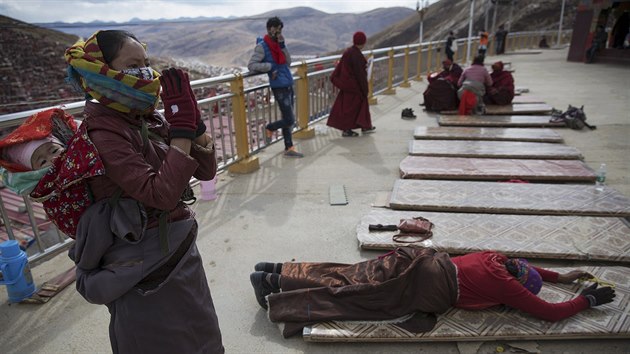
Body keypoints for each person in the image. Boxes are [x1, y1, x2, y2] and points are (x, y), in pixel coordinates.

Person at [63, 30, 224, 353]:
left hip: (178, 253)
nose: (145, 73)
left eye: (146, 63)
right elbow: (161, 194)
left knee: (202, 338)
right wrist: (180, 133)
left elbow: (205, 171)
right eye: (132, 65)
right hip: (144, 268)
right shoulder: (102, 131)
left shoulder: (145, 116)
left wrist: (194, 126)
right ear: (102, 71)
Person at [249, 247, 615, 338]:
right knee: (355, 298)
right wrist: (587, 300)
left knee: (345, 273)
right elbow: (549, 314)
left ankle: (276, 271)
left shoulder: (496, 259)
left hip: (417, 259)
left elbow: (530, 270)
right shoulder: (508, 287)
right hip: (426, 286)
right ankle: (274, 294)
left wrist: (562, 276)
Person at [247, 16, 304, 157]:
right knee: (290, 119)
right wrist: (270, 66)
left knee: (288, 119)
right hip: (279, 86)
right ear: (268, 29)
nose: (277, 33)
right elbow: (252, 65)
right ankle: (269, 128)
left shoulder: (280, 44)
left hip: (288, 83)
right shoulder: (262, 47)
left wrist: (283, 46)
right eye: (275, 30)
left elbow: (288, 62)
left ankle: (289, 148)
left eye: (279, 30)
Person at [326, 31, 375, 137]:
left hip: (347, 85)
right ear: (363, 42)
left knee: (352, 107)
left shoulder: (349, 52)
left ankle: (365, 125)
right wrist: (365, 88)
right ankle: (347, 129)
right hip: (354, 86)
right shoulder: (356, 55)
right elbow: (360, 74)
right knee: (351, 109)